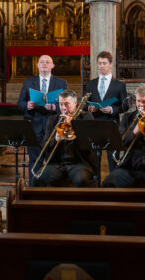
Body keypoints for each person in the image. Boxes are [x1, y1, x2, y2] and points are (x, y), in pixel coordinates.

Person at [17, 55, 67, 183]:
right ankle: (33, 191)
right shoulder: (28, 82)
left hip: (54, 126)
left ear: (52, 66)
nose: (44, 64)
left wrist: (55, 107)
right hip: (34, 125)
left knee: (54, 160)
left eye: (47, 62)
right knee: (35, 160)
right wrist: (27, 105)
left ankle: (51, 192)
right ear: (37, 65)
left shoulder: (61, 83)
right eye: (42, 62)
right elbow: (20, 103)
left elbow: (66, 104)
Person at [35, 90, 95, 188]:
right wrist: (55, 139)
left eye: (67, 104)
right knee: (37, 179)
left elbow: (87, 145)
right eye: (61, 104)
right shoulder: (53, 119)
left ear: (75, 103)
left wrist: (72, 127)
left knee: (81, 180)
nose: (63, 108)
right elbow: (45, 147)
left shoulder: (86, 116)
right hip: (57, 164)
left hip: (79, 163)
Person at [84, 51, 128, 169]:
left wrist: (112, 110)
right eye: (99, 63)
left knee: (112, 158)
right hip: (94, 125)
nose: (101, 66)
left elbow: (125, 106)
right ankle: (96, 183)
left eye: (104, 63)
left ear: (110, 64)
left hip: (112, 125)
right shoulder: (90, 84)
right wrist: (89, 108)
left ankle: (113, 184)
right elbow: (83, 105)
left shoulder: (119, 85)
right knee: (94, 159)